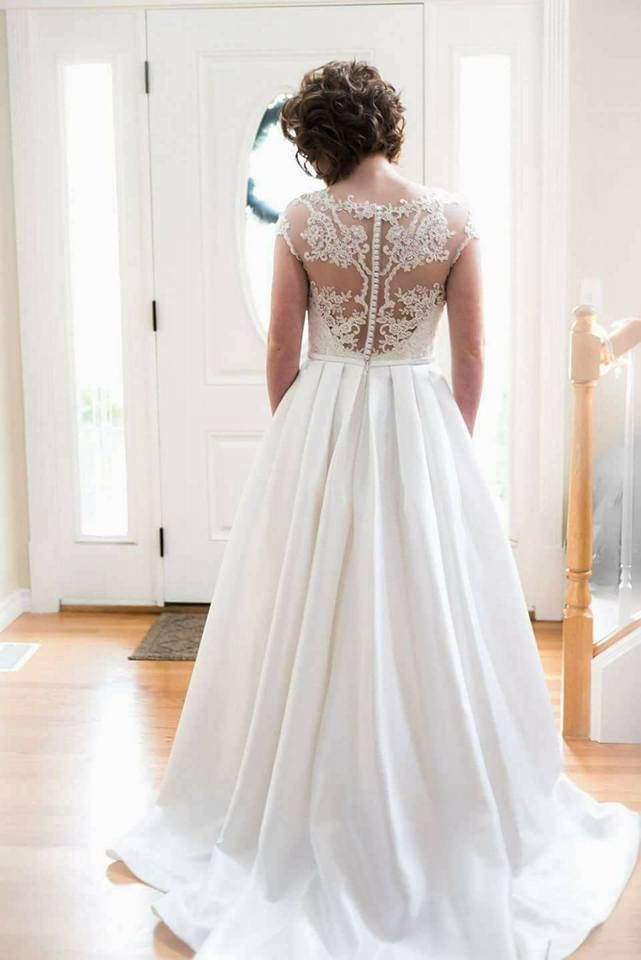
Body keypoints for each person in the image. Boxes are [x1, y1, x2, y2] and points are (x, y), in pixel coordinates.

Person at [107, 59, 641, 960]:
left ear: (315, 137)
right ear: (387, 121)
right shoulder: (454, 218)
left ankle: (298, 785)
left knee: (309, 604)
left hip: (320, 417)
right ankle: (435, 793)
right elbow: (469, 356)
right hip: (418, 415)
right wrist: (447, 448)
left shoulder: (305, 220)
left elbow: (283, 345)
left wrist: (299, 441)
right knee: (424, 607)